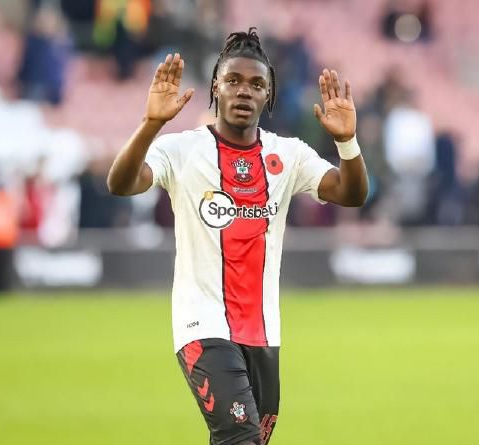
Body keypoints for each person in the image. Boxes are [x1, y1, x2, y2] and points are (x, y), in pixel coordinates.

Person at [107, 28, 368, 445]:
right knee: (241, 437)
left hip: (264, 332)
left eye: (256, 84)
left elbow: (352, 194)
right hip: (202, 325)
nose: (244, 91)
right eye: (233, 81)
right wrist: (149, 124)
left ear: (269, 95)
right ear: (216, 87)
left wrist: (347, 142)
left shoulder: (289, 155)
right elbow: (121, 183)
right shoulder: (183, 150)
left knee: (248, 440)